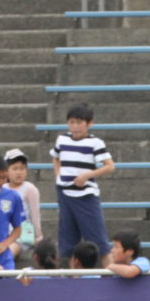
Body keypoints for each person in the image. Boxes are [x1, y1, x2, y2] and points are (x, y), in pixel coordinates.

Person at [51, 102, 115, 267]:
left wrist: (88, 175)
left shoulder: (95, 143)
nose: (75, 126)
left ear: (89, 123)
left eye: (79, 122)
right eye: (72, 122)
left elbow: (110, 166)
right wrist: (58, 175)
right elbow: (55, 156)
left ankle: (111, 274)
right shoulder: (62, 139)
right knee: (67, 241)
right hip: (65, 194)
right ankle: (71, 279)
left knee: (99, 240)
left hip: (86, 196)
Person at [4, 147, 42, 254]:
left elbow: (35, 214)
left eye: (22, 168)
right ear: (6, 171)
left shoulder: (30, 189)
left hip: (22, 235)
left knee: (8, 252)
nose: (19, 172)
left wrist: (38, 236)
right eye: (15, 169)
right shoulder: (2, 188)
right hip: (3, 234)